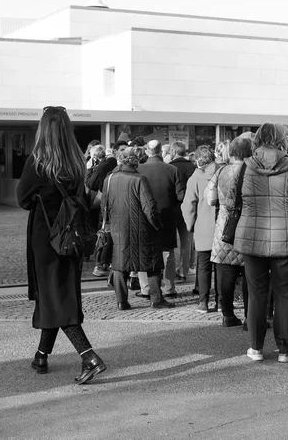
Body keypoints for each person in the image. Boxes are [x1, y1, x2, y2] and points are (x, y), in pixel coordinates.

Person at [17, 106, 106, 385]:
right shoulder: (77, 162)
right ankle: (41, 354)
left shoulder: (38, 161)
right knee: (58, 292)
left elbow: (23, 198)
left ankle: (89, 356)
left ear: (43, 129)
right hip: (73, 235)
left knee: (55, 296)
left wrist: (42, 200)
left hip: (47, 237)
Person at [229, 122, 288, 363]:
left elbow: (233, 201)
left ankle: (255, 347)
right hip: (284, 239)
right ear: (282, 140)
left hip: (252, 239)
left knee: (256, 294)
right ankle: (285, 349)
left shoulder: (245, 167)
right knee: (284, 294)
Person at [104, 147, 175, 310]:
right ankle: (156, 299)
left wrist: (110, 224)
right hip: (142, 229)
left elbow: (104, 207)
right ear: (135, 161)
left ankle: (122, 301)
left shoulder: (109, 179)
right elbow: (149, 207)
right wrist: (157, 225)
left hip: (118, 229)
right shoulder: (139, 179)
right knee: (152, 263)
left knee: (119, 265)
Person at [205, 137, 253, 327]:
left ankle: (227, 315)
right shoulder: (253, 172)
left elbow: (210, 199)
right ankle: (251, 316)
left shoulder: (221, 171)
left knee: (225, 275)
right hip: (248, 226)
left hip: (225, 227)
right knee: (251, 275)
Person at [137, 139, 185, 299]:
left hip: (145, 216)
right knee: (168, 252)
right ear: (160, 151)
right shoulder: (172, 169)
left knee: (144, 251)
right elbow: (180, 195)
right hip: (167, 216)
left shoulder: (139, 169)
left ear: (147, 151)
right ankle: (169, 288)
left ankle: (145, 288)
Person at [182, 146, 221, 312]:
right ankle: (221, 302)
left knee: (203, 267)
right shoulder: (223, 173)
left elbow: (188, 205)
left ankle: (203, 302)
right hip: (221, 227)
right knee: (221, 267)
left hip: (203, 227)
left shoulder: (194, 179)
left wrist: (190, 225)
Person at [85, 144, 117, 277]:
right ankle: (108, 261)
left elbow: (90, 184)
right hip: (114, 202)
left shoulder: (101, 167)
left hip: (102, 203)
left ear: (95, 158)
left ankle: (100, 263)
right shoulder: (113, 163)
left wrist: (89, 169)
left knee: (103, 232)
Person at [169, 141, 196, 281]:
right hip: (189, 208)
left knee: (171, 242)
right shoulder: (193, 166)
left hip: (173, 208)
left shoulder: (170, 167)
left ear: (173, 152)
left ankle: (170, 270)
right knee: (186, 241)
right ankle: (183, 270)